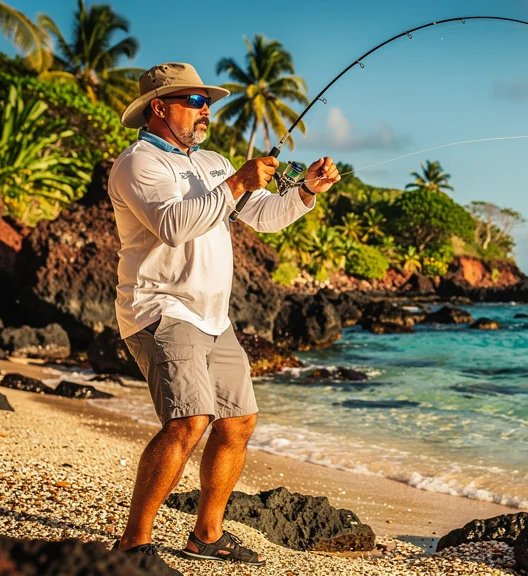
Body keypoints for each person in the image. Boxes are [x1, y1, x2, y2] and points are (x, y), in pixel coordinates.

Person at [106, 62, 339, 570]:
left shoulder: (213, 162)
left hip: (214, 318)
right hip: (160, 308)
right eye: (194, 101)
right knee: (189, 420)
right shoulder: (138, 164)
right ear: (159, 107)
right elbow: (172, 225)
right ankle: (133, 545)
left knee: (238, 423)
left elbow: (264, 217)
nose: (205, 110)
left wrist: (305, 192)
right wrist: (236, 182)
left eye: (207, 101)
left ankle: (206, 535)